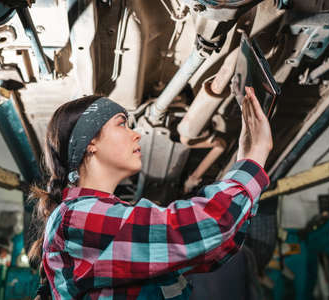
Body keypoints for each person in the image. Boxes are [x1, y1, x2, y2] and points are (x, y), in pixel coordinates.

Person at [28, 86, 273, 300]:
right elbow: (204, 225)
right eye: (122, 123)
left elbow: (211, 248)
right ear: (90, 142)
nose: (136, 133)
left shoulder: (83, 215)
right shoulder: (78, 217)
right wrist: (254, 159)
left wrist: (245, 161)